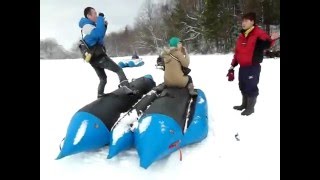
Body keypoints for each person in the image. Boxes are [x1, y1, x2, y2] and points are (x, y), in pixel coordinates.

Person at [227, 12, 280, 116]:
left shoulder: (258, 33)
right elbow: (237, 53)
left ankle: (250, 108)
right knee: (242, 85)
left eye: (246, 21)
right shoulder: (242, 36)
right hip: (243, 68)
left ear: (252, 22)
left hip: (252, 67)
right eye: (243, 21)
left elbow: (267, 43)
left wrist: (272, 39)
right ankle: (244, 104)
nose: (243, 23)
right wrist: (232, 66)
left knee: (251, 87)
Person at [78, 7, 131, 98]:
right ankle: (126, 88)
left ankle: (100, 94)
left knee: (103, 79)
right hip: (99, 57)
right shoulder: (87, 26)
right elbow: (98, 34)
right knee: (119, 70)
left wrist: (104, 26)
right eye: (94, 13)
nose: (96, 15)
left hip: (93, 59)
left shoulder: (89, 26)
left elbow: (99, 36)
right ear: (88, 15)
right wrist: (100, 19)